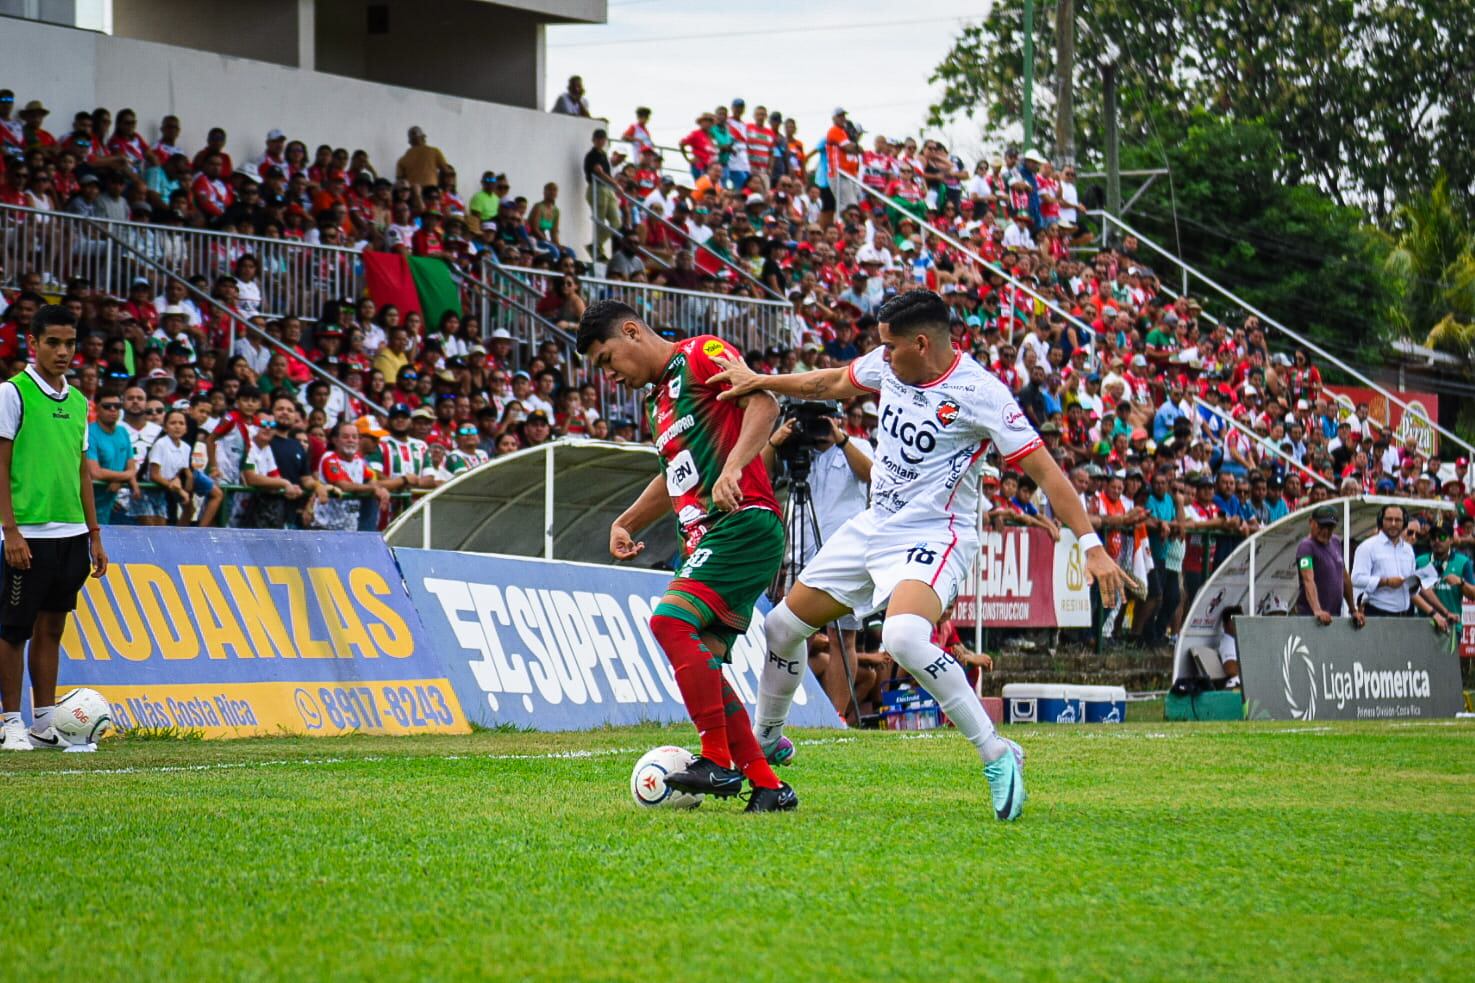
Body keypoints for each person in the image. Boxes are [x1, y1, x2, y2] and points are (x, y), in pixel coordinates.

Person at [710, 290, 1128, 822]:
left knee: (904, 637)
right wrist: (761, 381)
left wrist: (1091, 546)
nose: (881, 356)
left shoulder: (980, 393)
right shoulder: (889, 366)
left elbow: (1045, 471)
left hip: (935, 535)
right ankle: (767, 738)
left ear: (923, 343)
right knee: (781, 627)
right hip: (875, 525)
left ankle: (997, 753)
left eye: (890, 346)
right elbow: (830, 382)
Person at [577, 299, 794, 812]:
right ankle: (768, 786)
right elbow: (673, 472)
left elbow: (764, 404)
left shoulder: (702, 354)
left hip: (742, 522)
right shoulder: (656, 402)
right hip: (703, 537)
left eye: (607, 359)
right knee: (707, 665)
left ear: (632, 332)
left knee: (669, 622)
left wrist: (734, 467)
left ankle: (716, 759)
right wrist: (627, 521)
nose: (609, 376)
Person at [0, 304, 108, 750]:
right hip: (28, 532)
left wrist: (94, 534)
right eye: (53, 343)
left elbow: (82, 471)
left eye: (70, 343)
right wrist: (10, 530)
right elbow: (1, 464)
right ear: (33, 343)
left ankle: (45, 722)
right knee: (13, 630)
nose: (63, 352)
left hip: (72, 534)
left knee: (52, 628)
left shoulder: (80, 402)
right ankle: (9, 721)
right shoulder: (12, 393)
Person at [761, 404, 874, 723]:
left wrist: (840, 439)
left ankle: (836, 716)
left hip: (846, 555)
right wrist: (775, 442)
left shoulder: (857, 445)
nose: (818, 427)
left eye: (824, 419)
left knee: (843, 637)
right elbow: (760, 474)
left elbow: (873, 475)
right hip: (802, 552)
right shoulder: (796, 448)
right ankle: (794, 711)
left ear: (837, 419)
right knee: (792, 633)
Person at [1351, 503, 1451, 628]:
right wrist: (1386, 582)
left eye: (1398, 520)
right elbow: (1356, 579)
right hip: (1377, 614)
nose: (1393, 524)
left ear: (1404, 523)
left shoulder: (1408, 550)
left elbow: (1411, 589)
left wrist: (1434, 613)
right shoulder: (1367, 547)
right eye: (1389, 519)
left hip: (1405, 616)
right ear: (1381, 521)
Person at [1294, 505, 1364, 629]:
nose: (1325, 532)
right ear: (1311, 522)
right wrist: (1317, 610)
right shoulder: (1306, 547)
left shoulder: (1336, 542)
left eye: (1330, 527)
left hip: (1333, 617)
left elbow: (1344, 577)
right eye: (1321, 526)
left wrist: (1353, 610)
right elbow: (1308, 579)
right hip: (1311, 618)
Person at [1415, 523, 1475, 616]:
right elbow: (1412, 593)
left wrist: (1461, 582)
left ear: (1451, 540)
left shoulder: (1463, 562)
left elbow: (1473, 595)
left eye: (1442, 537)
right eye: (1433, 538)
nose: (1437, 541)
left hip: (1453, 621)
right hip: (1424, 622)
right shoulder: (1419, 561)